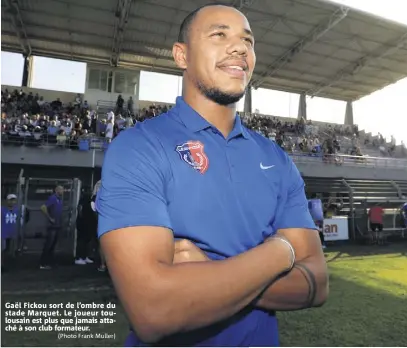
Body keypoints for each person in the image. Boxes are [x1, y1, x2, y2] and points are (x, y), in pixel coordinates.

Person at [96, 4, 328, 347]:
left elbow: (318, 283)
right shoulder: (139, 148)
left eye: (247, 40)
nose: (239, 48)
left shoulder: (276, 160)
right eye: (219, 35)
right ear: (181, 55)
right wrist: (280, 252)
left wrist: (213, 274)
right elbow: (154, 311)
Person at [40, 185, 64, 269]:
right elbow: (43, 207)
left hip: (57, 225)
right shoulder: (53, 198)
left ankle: (50, 262)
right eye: (61, 189)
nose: (62, 191)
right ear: (56, 190)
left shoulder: (59, 199)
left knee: (53, 245)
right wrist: (50, 218)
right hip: (52, 226)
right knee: (48, 244)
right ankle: (43, 263)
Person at [2, 194, 19, 272]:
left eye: (13, 200)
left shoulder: (17, 210)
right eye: (10, 200)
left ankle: (4, 265)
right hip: (2, 233)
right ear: (7, 201)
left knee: (7, 250)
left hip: (11, 233)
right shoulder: (1, 209)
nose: (12, 202)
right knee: (2, 249)